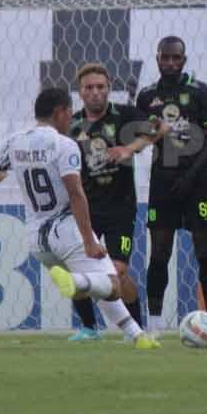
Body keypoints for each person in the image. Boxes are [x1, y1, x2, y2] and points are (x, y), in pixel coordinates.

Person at [0, 88, 160, 349]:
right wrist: (89, 241)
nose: (70, 118)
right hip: (65, 230)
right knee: (112, 284)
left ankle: (137, 335)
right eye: (69, 112)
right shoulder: (63, 145)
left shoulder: (14, 141)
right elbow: (75, 193)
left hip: (36, 237)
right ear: (59, 112)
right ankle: (75, 281)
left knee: (99, 285)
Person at [64, 64, 159, 339]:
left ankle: (136, 329)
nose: (95, 93)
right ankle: (89, 328)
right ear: (80, 92)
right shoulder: (72, 125)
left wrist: (129, 148)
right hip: (84, 210)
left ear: (109, 88)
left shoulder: (125, 115)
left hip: (120, 208)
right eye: (89, 88)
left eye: (100, 87)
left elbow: (159, 128)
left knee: (117, 272)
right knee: (77, 268)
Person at [134, 37, 207, 326]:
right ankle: (155, 325)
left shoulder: (200, 92)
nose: (171, 63)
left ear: (184, 60)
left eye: (176, 58)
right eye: (166, 58)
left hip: (197, 183)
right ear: (157, 59)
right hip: (163, 183)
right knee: (159, 252)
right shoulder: (147, 96)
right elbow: (142, 136)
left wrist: (191, 173)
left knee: (205, 250)